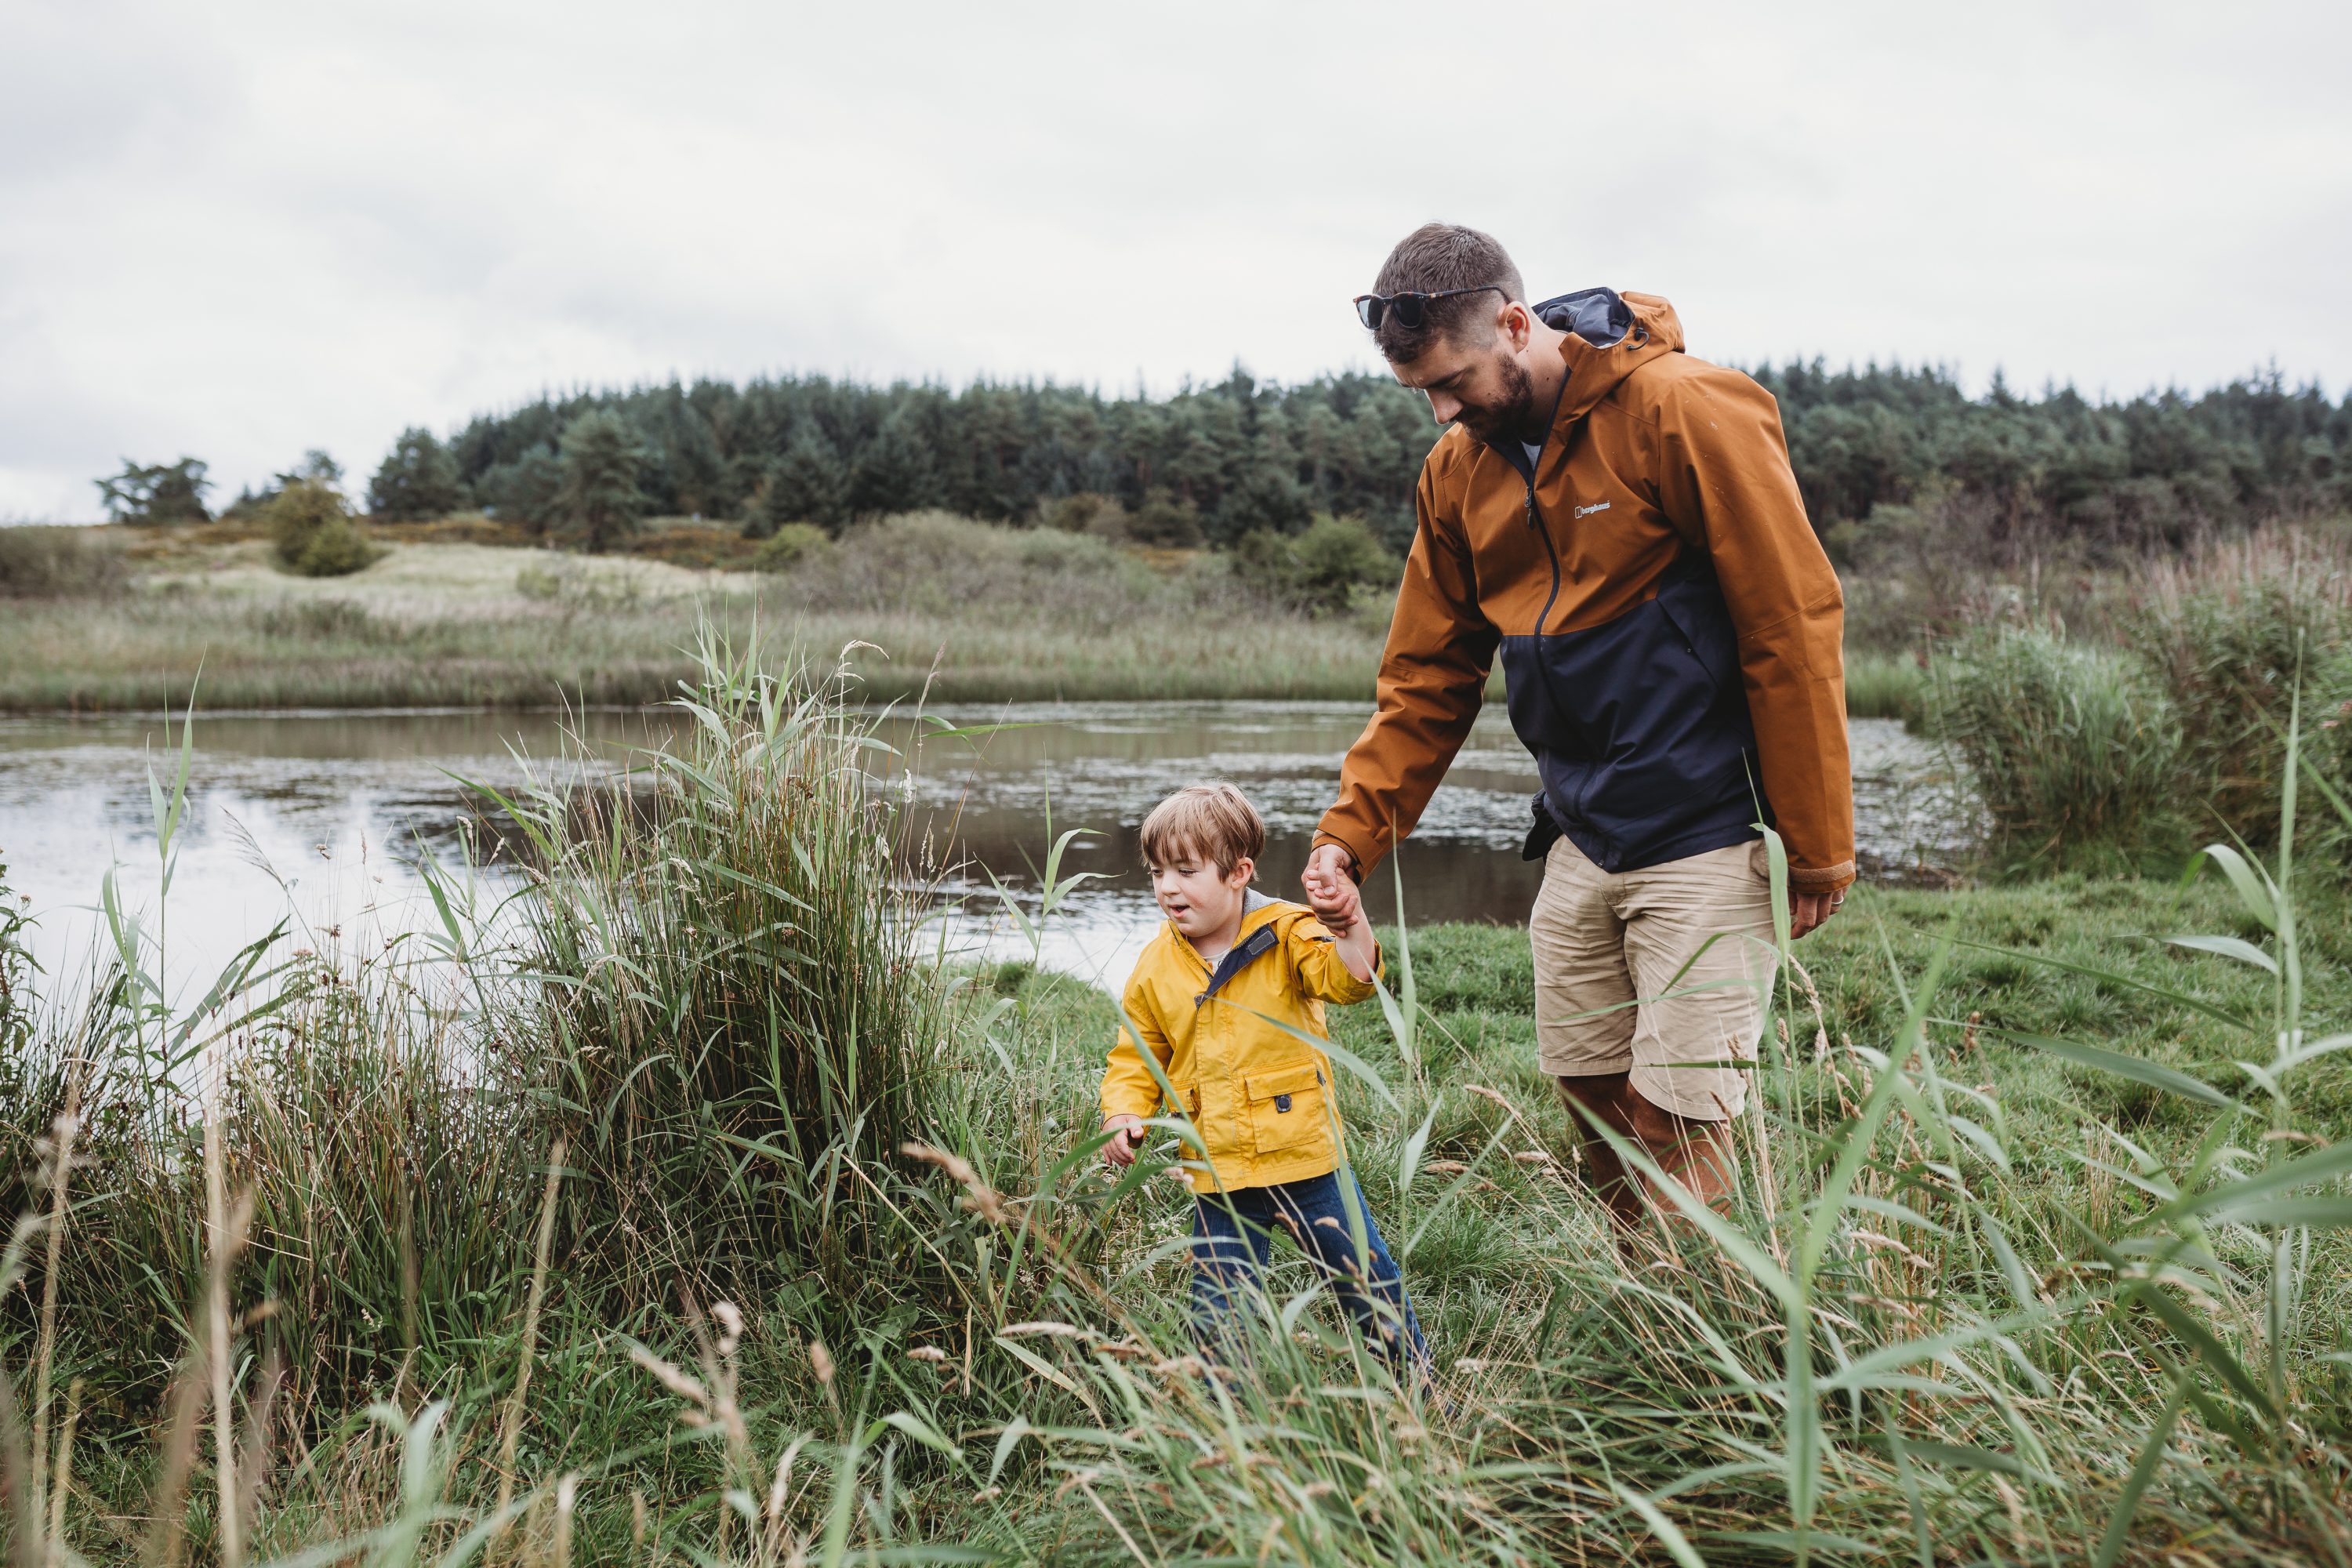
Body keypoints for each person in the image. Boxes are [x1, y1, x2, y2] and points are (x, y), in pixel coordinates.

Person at [1301, 223, 1855, 1236]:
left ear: (1516, 324)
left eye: (1454, 381)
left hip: (1709, 828)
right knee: (1594, 1101)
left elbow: (1792, 624)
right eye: (1420, 392)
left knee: (1677, 1121)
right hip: (1582, 838)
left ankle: (1713, 1362)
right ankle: (1643, 1323)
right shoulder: (1456, 473)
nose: (1441, 410)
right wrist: (1352, 833)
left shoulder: (1685, 410)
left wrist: (1816, 849)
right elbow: (1428, 676)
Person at [1100, 783, 1429, 1374]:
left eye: (1185, 870)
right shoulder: (1157, 963)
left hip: (1305, 1157)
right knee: (1221, 1312)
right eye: (1156, 873)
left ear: (1238, 873)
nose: (1167, 887)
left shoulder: (1288, 932)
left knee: (1366, 1282)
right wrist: (1123, 1111)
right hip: (1217, 1168)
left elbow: (1346, 979)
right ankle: (1227, 1426)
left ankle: (1420, 1391)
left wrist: (1350, 925)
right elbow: (1137, 1053)